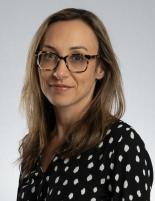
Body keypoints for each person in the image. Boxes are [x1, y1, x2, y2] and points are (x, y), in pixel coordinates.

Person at [17, 8, 153, 201]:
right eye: (49, 55)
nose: (59, 72)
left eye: (78, 57)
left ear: (100, 68)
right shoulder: (34, 146)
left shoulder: (121, 145)